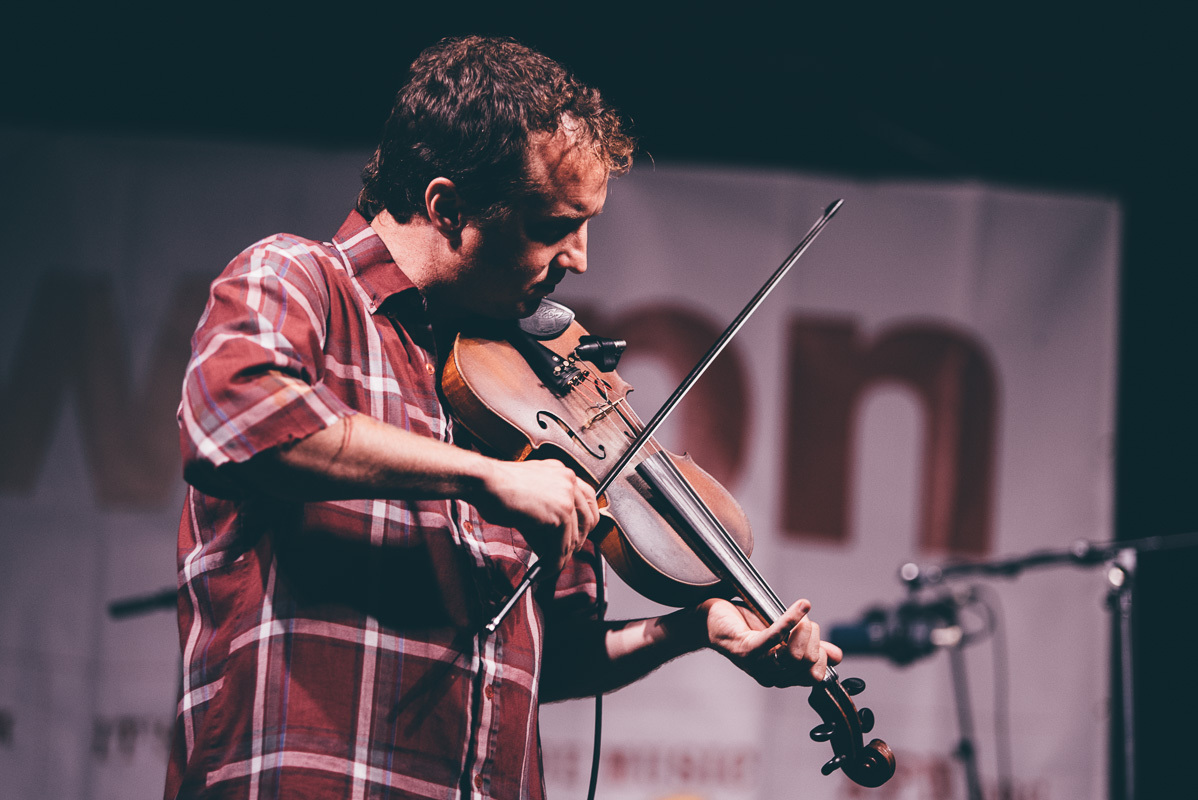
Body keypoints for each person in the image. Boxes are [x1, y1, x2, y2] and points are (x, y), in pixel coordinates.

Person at [166, 35, 842, 800]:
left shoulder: (522, 388)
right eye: (552, 226)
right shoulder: (297, 280)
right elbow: (240, 422)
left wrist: (689, 628)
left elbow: (549, 663)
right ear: (447, 206)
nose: (580, 259)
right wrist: (486, 480)